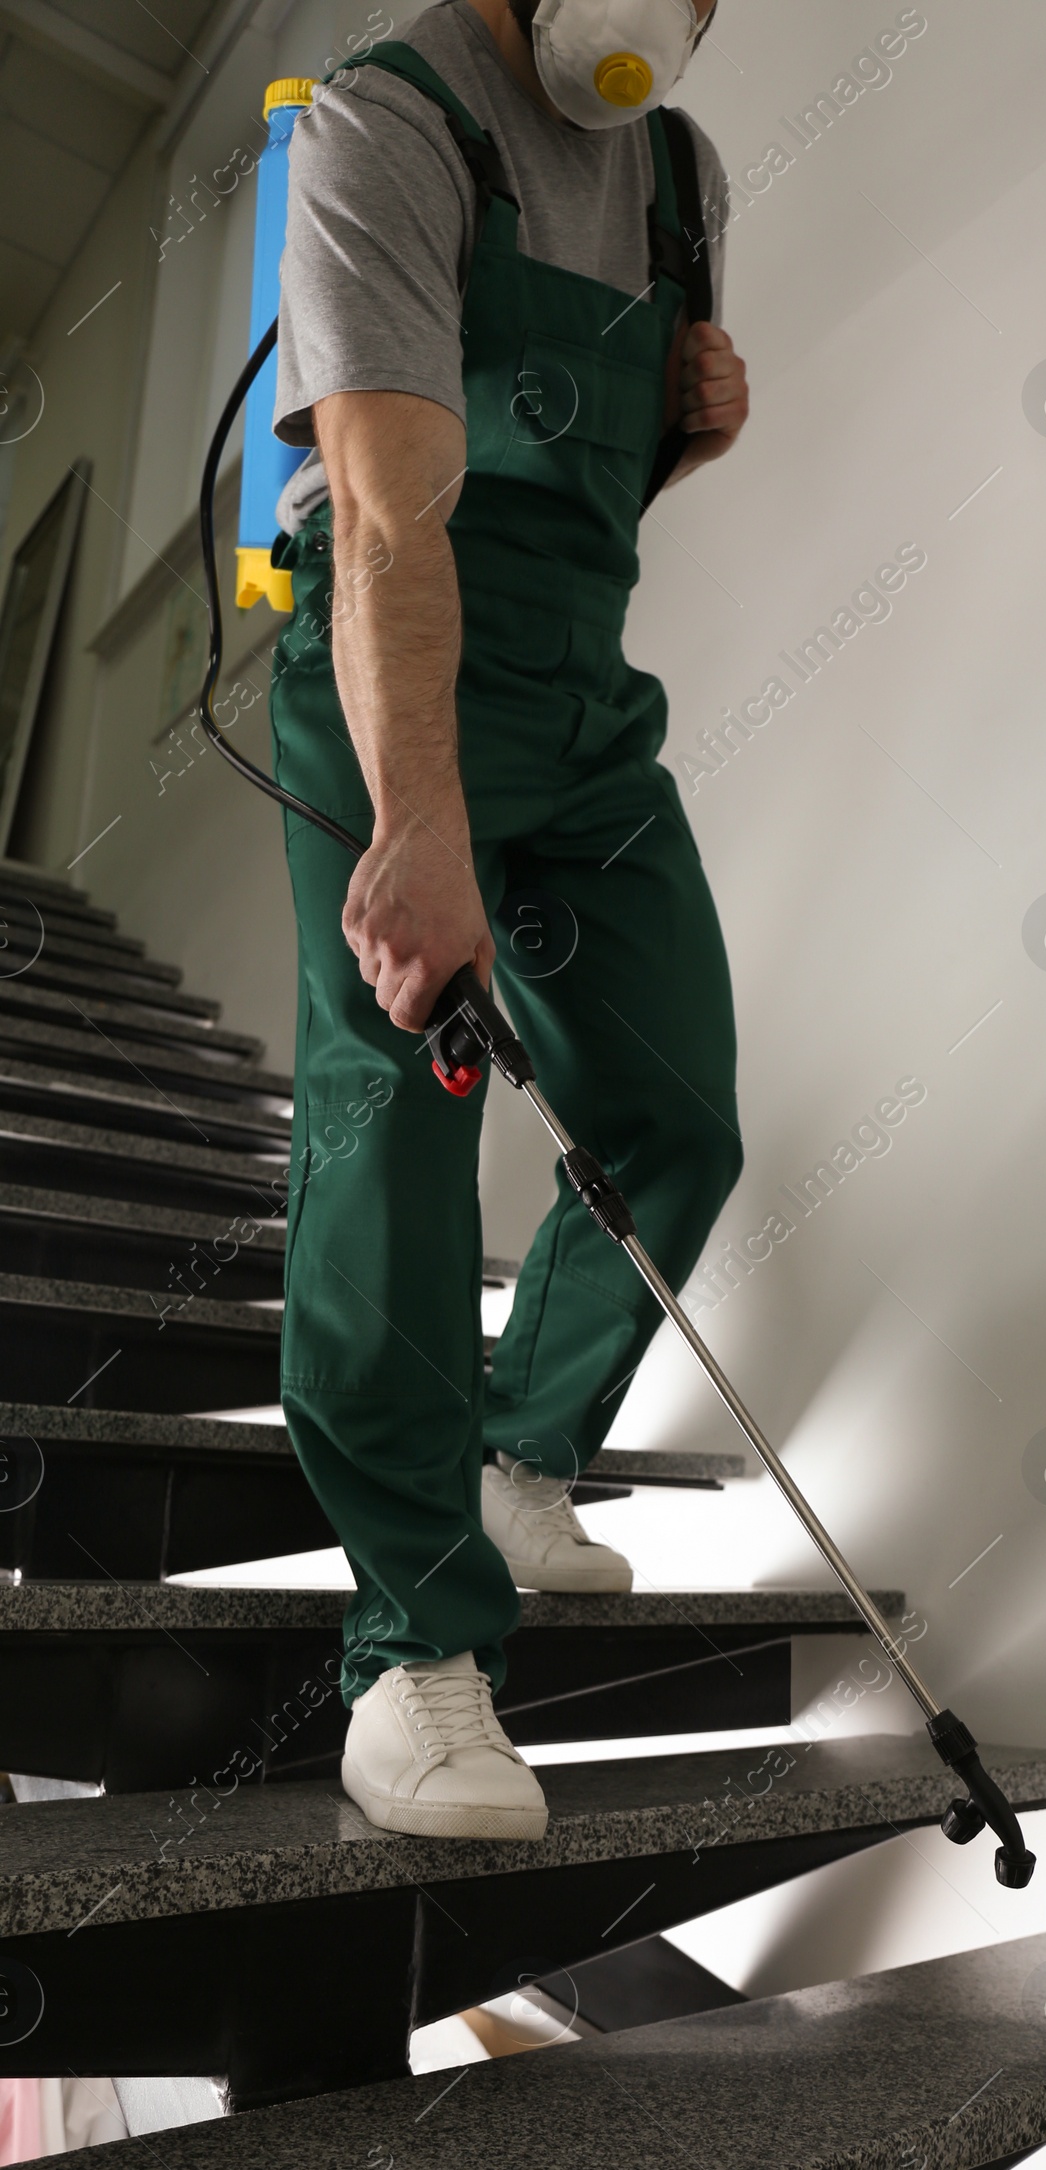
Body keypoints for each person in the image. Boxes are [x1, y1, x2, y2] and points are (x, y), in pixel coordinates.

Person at [268, 0, 749, 1836]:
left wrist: (697, 428)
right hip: (391, 656)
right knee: (400, 1114)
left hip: (576, 687)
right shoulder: (386, 122)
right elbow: (397, 519)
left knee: (670, 1112)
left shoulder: (684, 177)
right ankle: (406, 1656)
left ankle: (520, 1449)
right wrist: (423, 825)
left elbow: (597, 482)